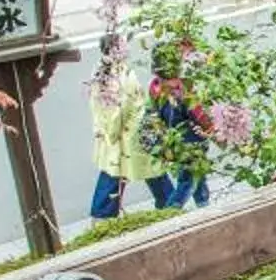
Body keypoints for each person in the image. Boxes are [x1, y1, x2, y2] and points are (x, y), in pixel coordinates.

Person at [87, 41, 157, 219]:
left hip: (131, 129)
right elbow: (117, 108)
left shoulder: (107, 72)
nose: (126, 49)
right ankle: (103, 212)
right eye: (122, 46)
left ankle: (103, 211)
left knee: (132, 168)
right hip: (126, 132)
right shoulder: (109, 75)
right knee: (128, 169)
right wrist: (112, 133)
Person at [143, 60, 212, 210]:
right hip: (190, 144)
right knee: (187, 182)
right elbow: (199, 115)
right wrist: (211, 128)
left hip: (177, 142)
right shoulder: (181, 93)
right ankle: (169, 214)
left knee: (197, 176)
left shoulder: (155, 87)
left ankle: (204, 204)